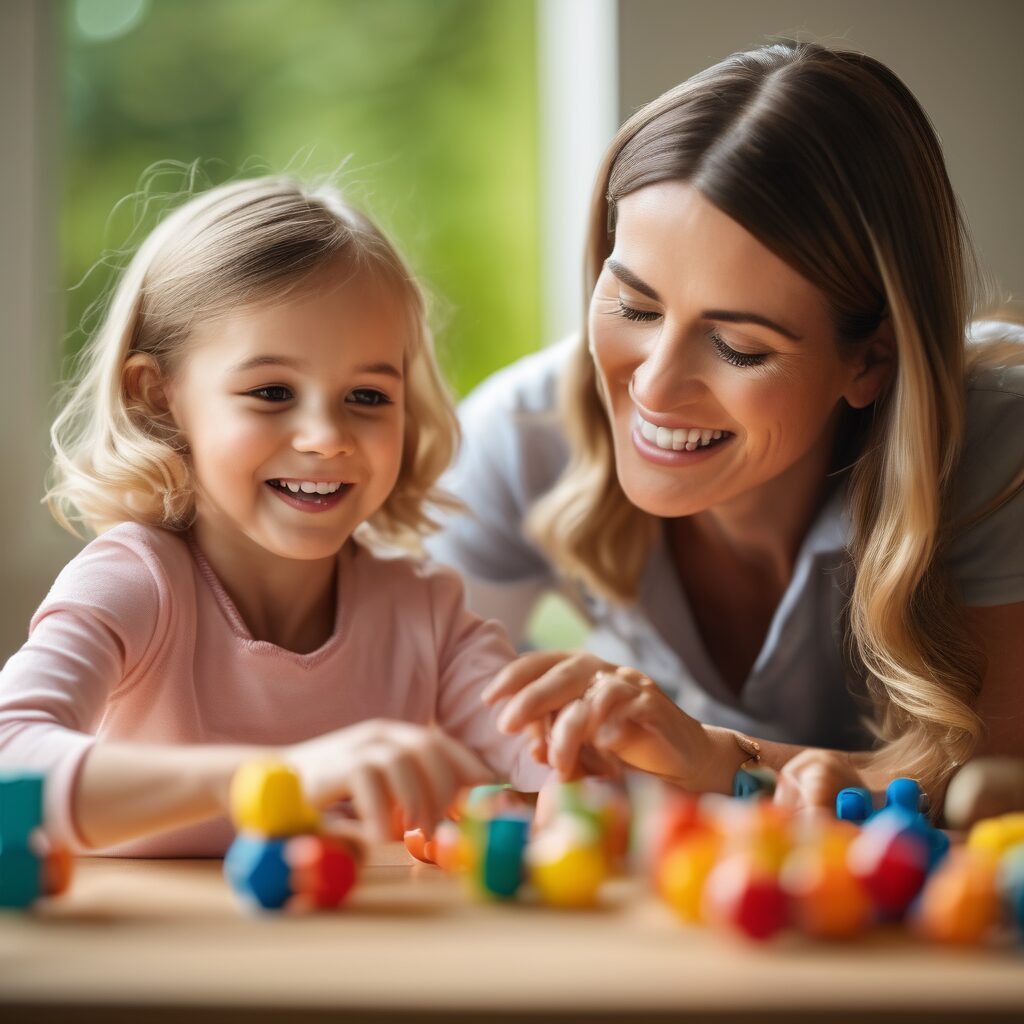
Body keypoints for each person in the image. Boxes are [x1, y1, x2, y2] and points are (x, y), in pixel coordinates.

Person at [427, 42, 1024, 814]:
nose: (654, 385)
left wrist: (713, 756)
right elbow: (404, 711)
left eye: (738, 347)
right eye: (636, 307)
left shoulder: (998, 447)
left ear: (870, 360)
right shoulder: (526, 428)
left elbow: (991, 784)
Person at [0, 175, 548, 857]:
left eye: (369, 396)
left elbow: (566, 778)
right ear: (158, 398)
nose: (326, 435)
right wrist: (278, 778)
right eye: (271, 391)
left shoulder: (427, 616)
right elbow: (10, 768)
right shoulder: (135, 584)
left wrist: (601, 735)